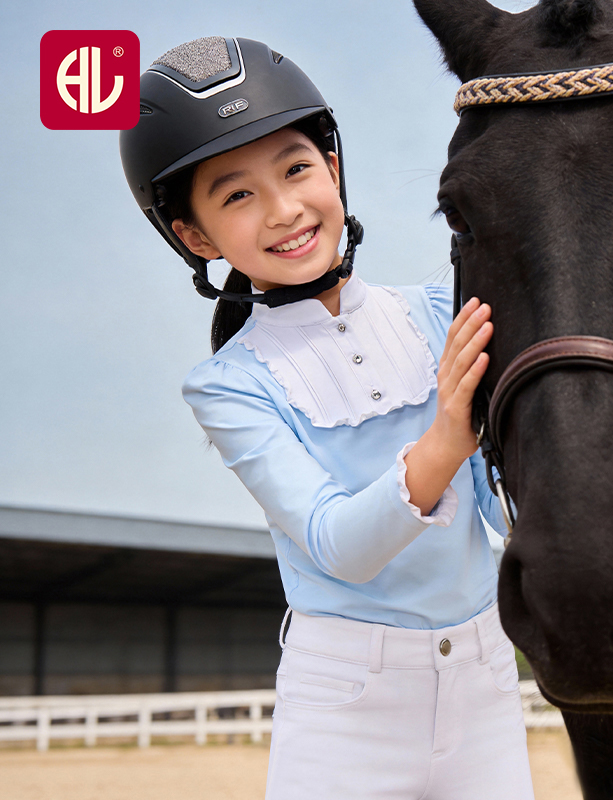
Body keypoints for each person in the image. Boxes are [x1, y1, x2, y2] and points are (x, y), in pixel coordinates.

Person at [120, 35, 534, 800]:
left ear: (333, 168)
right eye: (237, 195)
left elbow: (505, 501)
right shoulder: (229, 385)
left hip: (485, 681)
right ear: (195, 237)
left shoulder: (441, 309)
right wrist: (446, 438)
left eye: (296, 169)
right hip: (346, 711)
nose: (285, 209)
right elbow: (338, 547)